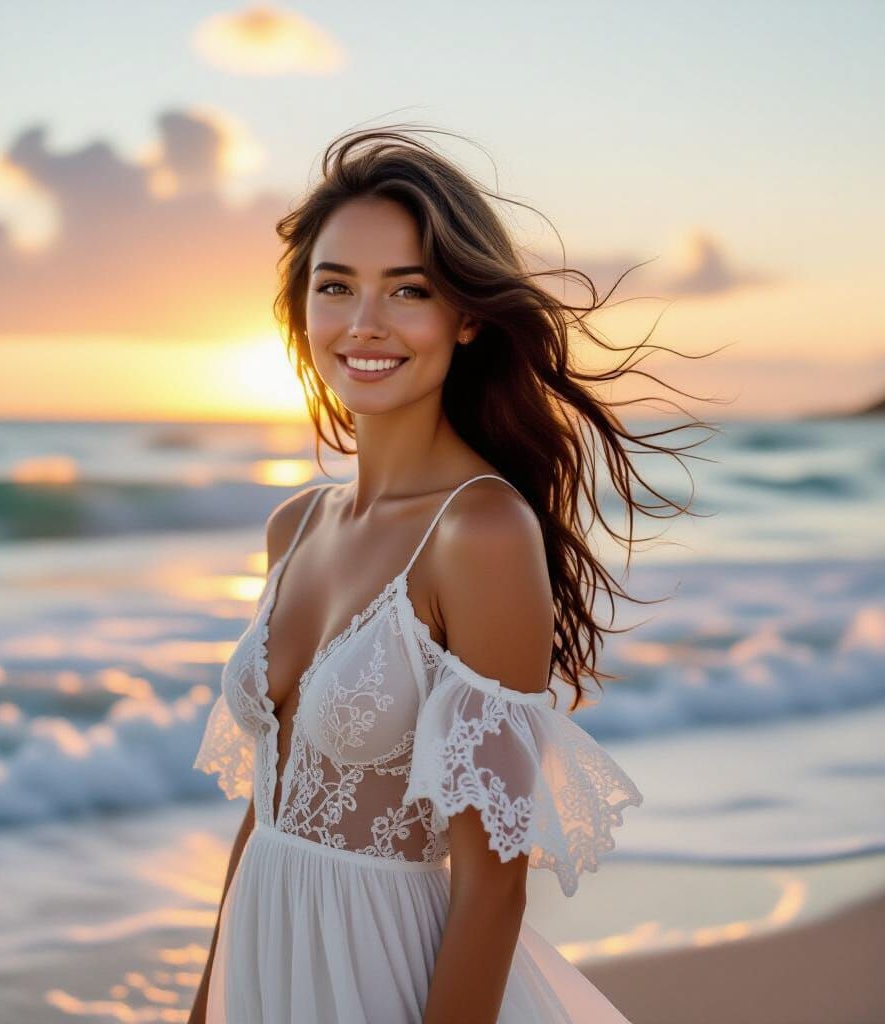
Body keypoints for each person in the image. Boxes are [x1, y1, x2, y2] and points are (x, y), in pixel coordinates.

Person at [187, 124, 717, 1023]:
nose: (364, 324)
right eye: (336, 287)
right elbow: (266, 813)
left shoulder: (480, 533)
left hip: (390, 984)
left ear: (466, 316)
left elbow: (491, 890)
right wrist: (203, 1008)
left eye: (409, 291)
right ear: (301, 309)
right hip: (266, 975)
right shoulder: (295, 526)